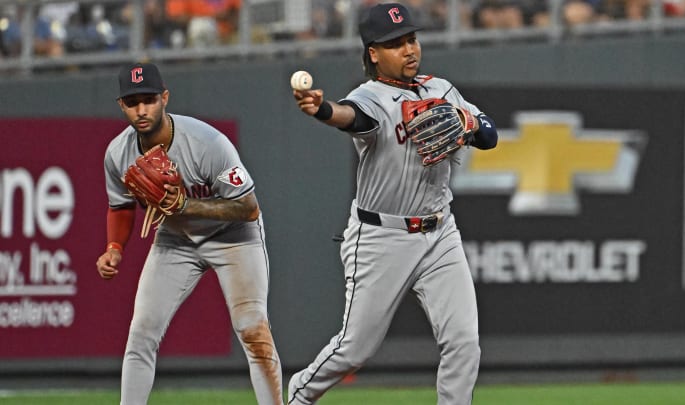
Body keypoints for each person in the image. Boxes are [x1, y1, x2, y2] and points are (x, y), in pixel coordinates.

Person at [288, 3, 498, 405]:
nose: (409, 50)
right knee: (356, 348)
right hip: (382, 236)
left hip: (440, 233)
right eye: (395, 44)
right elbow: (353, 118)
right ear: (373, 53)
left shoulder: (441, 89)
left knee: (464, 342)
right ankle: (298, 394)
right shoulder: (369, 96)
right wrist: (322, 110)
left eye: (411, 39)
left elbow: (489, 135)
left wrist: (469, 123)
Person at [95, 62, 284, 405]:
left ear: (165, 98)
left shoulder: (207, 142)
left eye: (149, 100)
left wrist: (185, 206)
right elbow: (121, 206)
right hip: (176, 241)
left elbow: (248, 208)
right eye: (132, 101)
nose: (141, 109)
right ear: (121, 105)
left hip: (234, 238)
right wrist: (114, 247)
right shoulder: (117, 153)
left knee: (254, 330)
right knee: (141, 334)